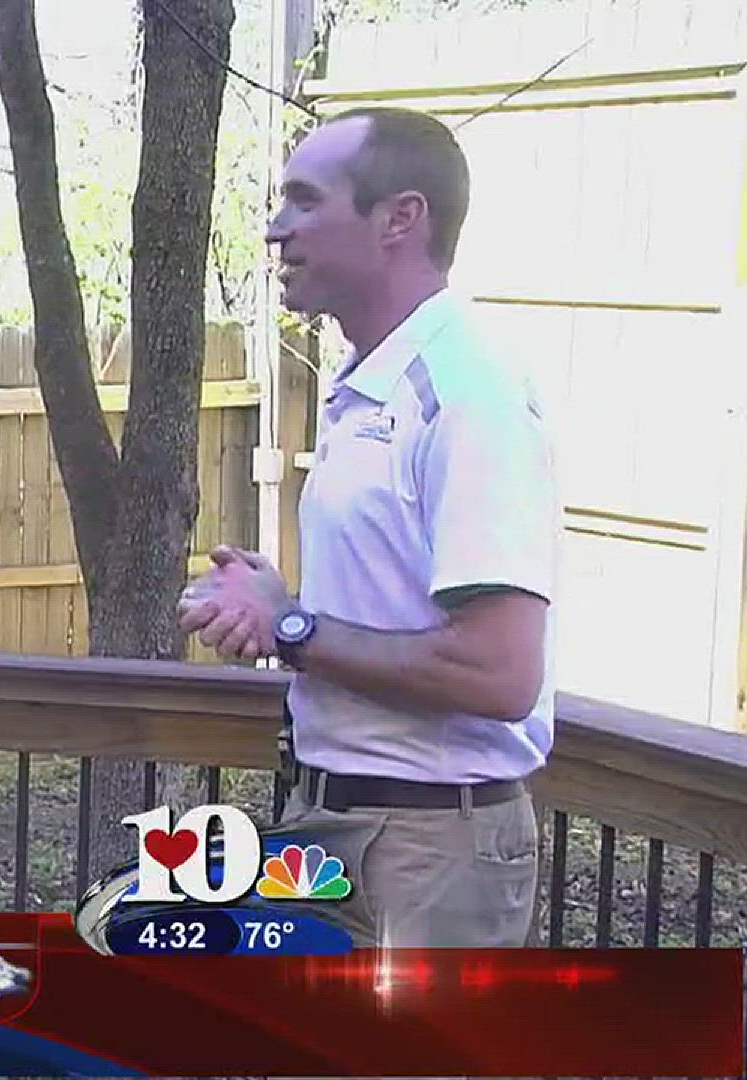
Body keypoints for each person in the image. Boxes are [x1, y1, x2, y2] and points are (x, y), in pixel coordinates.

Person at [178, 107, 558, 948]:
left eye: (305, 201)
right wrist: (277, 612)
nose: (277, 230)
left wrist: (289, 624)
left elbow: (499, 673)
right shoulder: (366, 385)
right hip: (333, 821)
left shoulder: (467, 393)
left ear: (400, 219)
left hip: (431, 849)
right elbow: (390, 618)